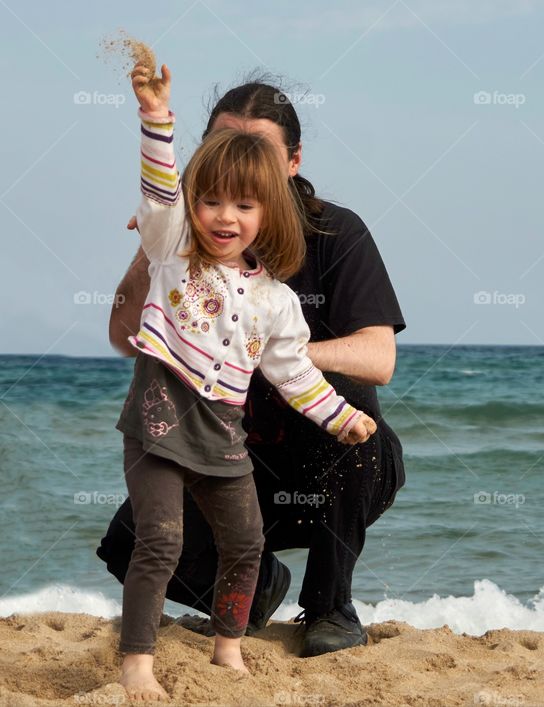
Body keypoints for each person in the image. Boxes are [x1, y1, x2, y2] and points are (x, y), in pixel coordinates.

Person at [97, 70, 407, 661]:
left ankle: (329, 605)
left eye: (259, 155)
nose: (235, 182)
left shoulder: (335, 232)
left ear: (291, 163)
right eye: (220, 151)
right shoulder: (183, 234)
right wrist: (153, 250)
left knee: (355, 403)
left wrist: (271, 359)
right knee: (128, 541)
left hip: (323, 469)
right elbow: (123, 335)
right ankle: (256, 586)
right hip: (218, 452)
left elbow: (379, 356)